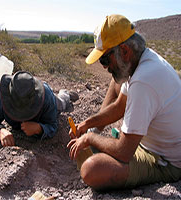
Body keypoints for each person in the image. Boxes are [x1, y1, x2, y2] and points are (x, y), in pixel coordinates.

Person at [67, 14, 181, 190]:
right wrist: (88, 124)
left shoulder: (143, 81)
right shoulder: (141, 61)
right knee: (116, 81)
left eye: (105, 59)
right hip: (146, 144)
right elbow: (119, 106)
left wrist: (90, 138)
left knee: (91, 169)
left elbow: (124, 151)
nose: (104, 67)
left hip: (165, 160)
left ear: (125, 51)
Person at [0, 71, 78, 147]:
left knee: (61, 103)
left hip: (51, 99)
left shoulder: (46, 97)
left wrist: (39, 128)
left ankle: (66, 94)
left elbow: (52, 125)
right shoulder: (0, 96)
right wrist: (0, 131)